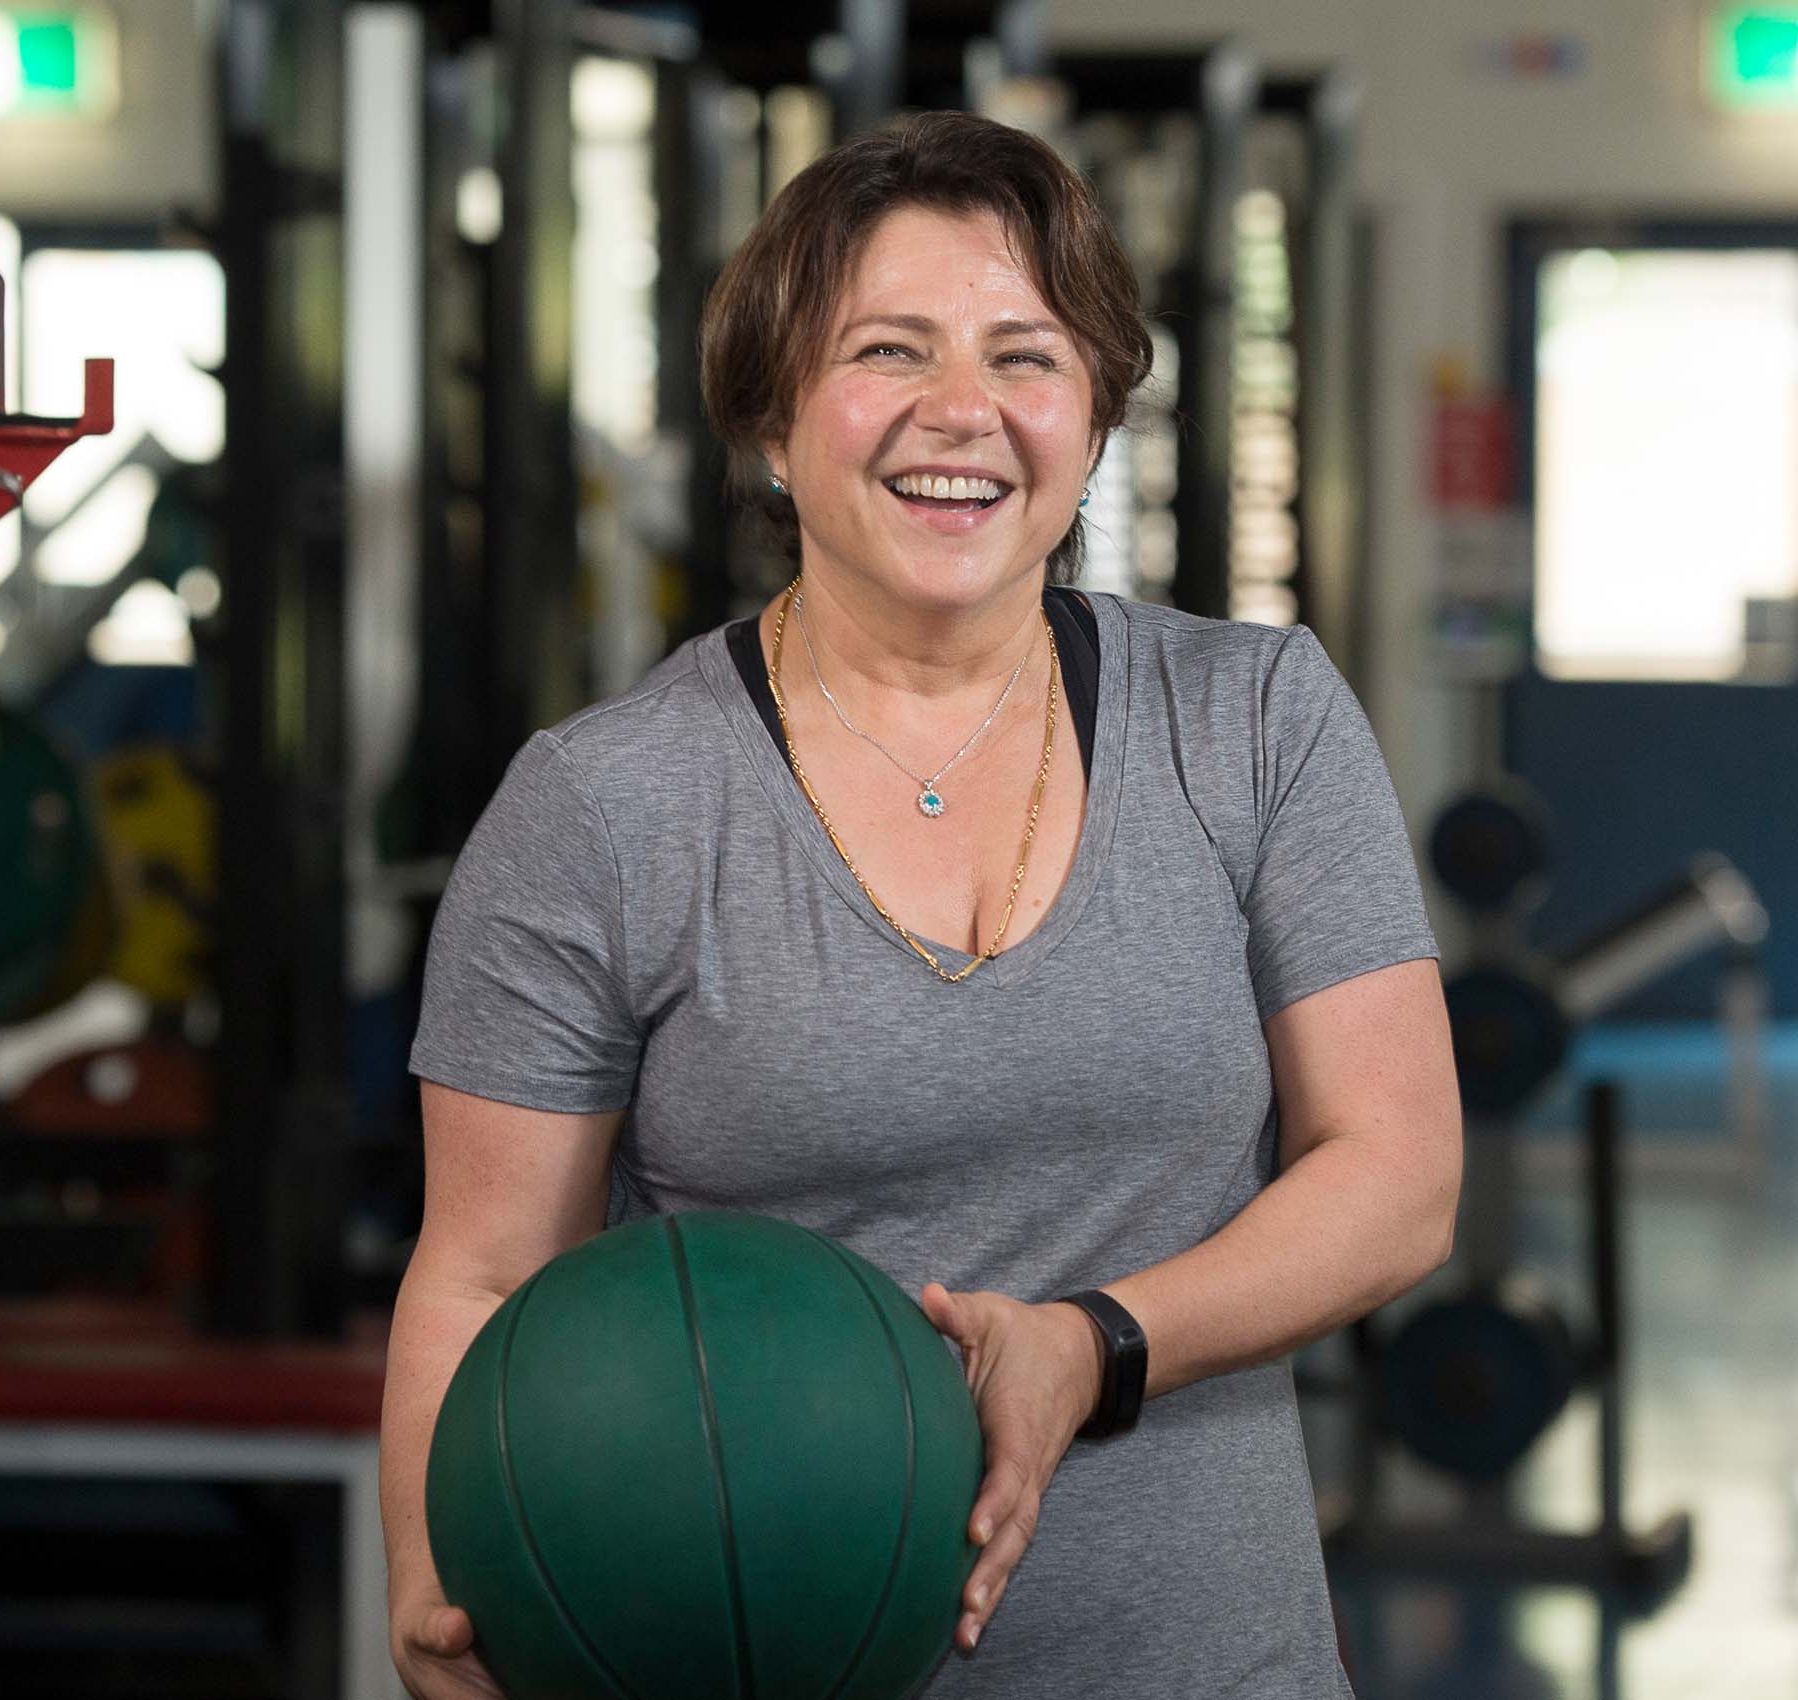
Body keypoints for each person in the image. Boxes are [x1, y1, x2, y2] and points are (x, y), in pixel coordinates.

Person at [381, 110, 1461, 1700]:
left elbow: (1399, 1173)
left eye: (1026, 357)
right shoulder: (603, 809)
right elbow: (477, 1277)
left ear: (1091, 423)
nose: (963, 412)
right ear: (771, 419)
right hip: (741, 1667)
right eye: (888, 350)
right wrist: (433, 1582)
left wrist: (1093, 1342)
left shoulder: (1256, 721)